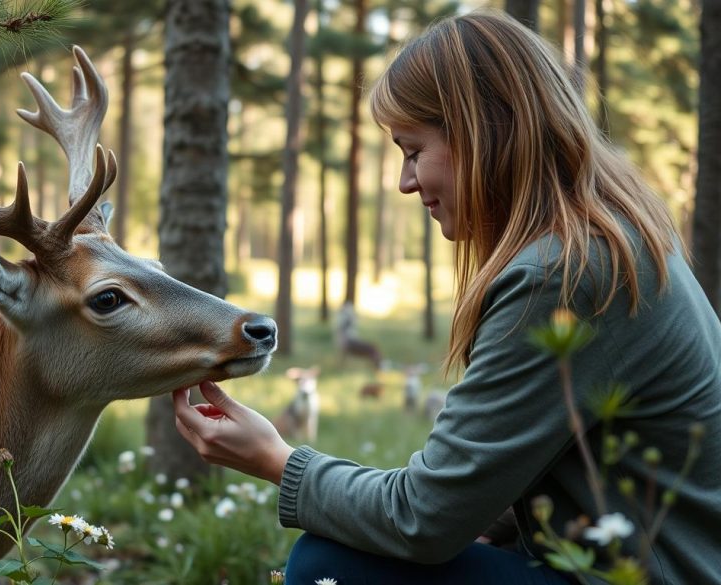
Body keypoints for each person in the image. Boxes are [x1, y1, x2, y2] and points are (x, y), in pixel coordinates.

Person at [172, 9, 721, 584]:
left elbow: (422, 519)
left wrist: (277, 461)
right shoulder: (607, 238)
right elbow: (540, 464)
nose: (405, 182)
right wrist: (490, 519)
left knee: (327, 564)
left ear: (481, 133)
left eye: (412, 151)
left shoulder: (561, 274)